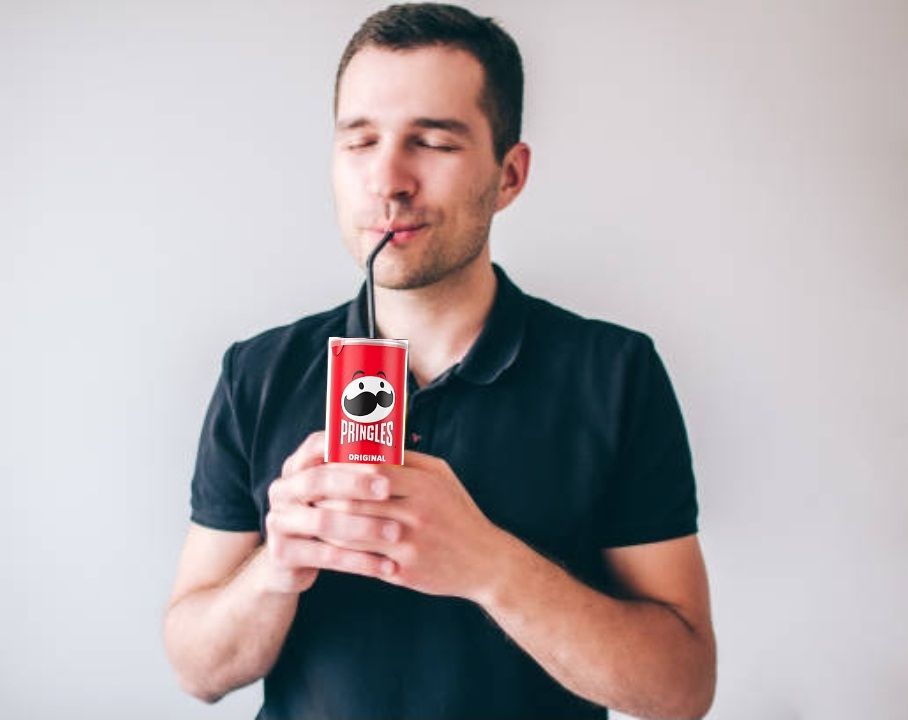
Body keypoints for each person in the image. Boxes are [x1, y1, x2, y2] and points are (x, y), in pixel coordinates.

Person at [163, 4, 717, 719]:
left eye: (431, 142)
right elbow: (197, 671)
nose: (387, 181)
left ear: (509, 175)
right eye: (359, 142)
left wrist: (489, 565)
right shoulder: (258, 372)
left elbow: (681, 689)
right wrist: (277, 567)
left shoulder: (614, 373)